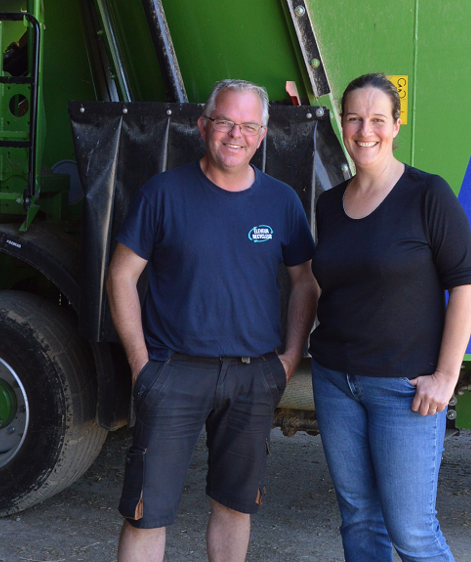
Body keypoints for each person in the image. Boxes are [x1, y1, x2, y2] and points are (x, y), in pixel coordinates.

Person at [106, 79, 318, 562]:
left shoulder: (281, 201)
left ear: (262, 135)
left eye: (247, 125)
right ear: (203, 126)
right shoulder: (163, 193)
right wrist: (142, 364)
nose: (234, 134)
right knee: (147, 511)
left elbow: (305, 281)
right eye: (224, 122)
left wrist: (287, 359)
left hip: (252, 375)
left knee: (234, 506)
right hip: (173, 371)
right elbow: (121, 275)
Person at [309, 73, 471, 562]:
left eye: (378, 120)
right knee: (360, 520)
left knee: (412, 533)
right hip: (335, 381)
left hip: (404, 391)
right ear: (342, 124)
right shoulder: (330, 204)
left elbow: (465, 285)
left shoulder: (428, 195)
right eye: (355, 119)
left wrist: (446, 377)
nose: (366, 131)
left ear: (397, 125)